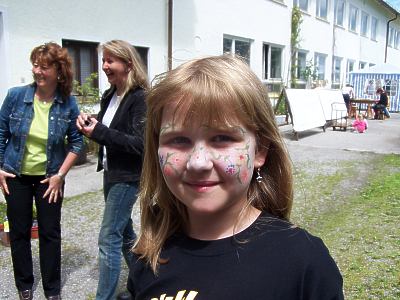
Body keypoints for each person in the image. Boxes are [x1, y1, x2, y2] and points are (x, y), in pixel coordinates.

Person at [127, 55, 344, 299]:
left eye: (222, 138)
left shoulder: (303, 262)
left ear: (260, 150)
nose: (198, 162)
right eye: (178, 140)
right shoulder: (149, 256)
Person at [0, 42, 83, 300]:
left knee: (49, 232)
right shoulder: (16, 96)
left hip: (50, 179)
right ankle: (24, 285)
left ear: (59, 71)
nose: (37, 71)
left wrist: (60, 175)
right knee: (19, 231)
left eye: (44, 66)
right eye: (35, 64)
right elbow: (1, 133)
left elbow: (77, 143)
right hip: (16, 176)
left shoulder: (67, 104)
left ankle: (52, 289)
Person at [76, 40, 148, 300]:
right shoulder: (110, 94)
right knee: (125, 232)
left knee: (108, 238)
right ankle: (144, 283)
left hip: (128, 177)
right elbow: (108, 130)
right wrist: (89, 123)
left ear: (128, 64)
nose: (105, 66)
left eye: (110, 61)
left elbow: (140, 144)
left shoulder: (140, 98)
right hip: (110, 171)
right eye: (103, 60)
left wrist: (99, 131)